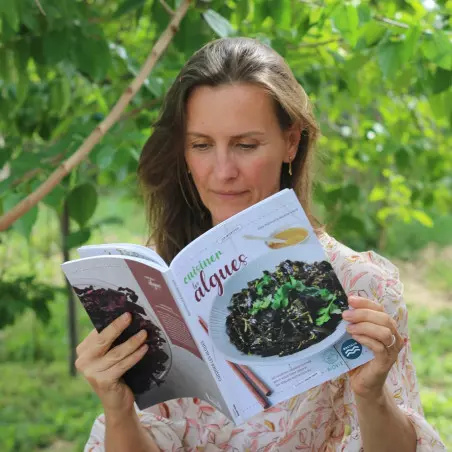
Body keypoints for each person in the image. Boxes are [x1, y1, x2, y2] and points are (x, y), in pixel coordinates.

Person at [77, 37, 446, 451]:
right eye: (201, 145)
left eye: (245, 145)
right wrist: (118, 408)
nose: (222, 171)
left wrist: (372, 395)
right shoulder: (163, 286)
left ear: (292, 142)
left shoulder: (359, 284)